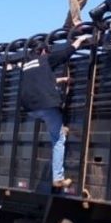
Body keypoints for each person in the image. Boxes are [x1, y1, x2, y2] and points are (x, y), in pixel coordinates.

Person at [20, 33, 92, 188]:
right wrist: (79, 40)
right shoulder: (45, 59)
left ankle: (61, 128)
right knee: (58, 140)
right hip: (46, 106)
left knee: (53, 123)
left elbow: (42, 82)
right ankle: (58, 178)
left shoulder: (26, 66)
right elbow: (66, 54)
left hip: (31, 109)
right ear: (44, 51)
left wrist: (63, 80)